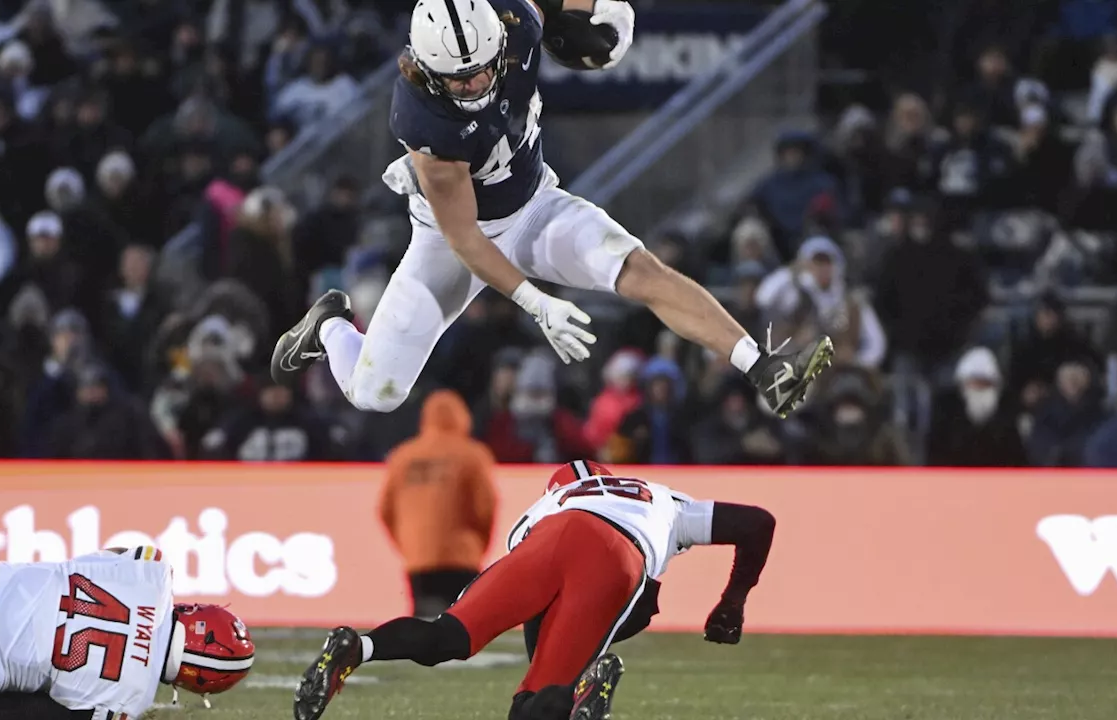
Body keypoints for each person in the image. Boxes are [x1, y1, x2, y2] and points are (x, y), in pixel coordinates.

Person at [269, 0, 833, 421]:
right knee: (377, 394)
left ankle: (762, 367)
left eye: (486, 68)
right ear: (424, 70)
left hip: (535, 204)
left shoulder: (514, 19)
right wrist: (537, 303)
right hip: (455, 239)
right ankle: (332, 327)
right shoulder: (423, 119)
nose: (478, 84)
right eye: (461, 79)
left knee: (641, 271)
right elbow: (467, 239)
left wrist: (607, 10)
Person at [293, 460, 778, 720]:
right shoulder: (662, 496)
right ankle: (576, 694)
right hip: (620, 553)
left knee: (446, 637)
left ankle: (360, 646)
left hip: (546, 541)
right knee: (538, 697)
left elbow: (533, 614)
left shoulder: (543, 507)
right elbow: (759, 522)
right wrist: (732, 601)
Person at [0, 546, 253, 719]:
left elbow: (110, 554)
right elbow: (8, 713)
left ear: (196, 616)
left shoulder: (154, 572)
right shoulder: (129, 702)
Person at [381, 390, 498, 618]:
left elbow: (385, 511)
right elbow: (486, 508)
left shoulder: (402, 456)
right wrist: (479, 546)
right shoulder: (472, 455)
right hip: (462, 555)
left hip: (417, 557)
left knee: (422, 626)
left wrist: (408, 545)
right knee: (463, 626)